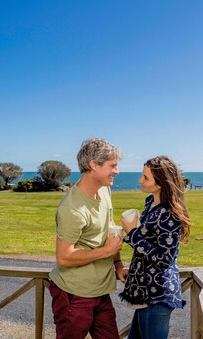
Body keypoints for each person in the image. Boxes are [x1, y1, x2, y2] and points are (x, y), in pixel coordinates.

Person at [48, 137, 125, 339]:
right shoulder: (71, 208)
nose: (117, 171)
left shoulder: (105, 190)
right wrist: (106, 251)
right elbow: (64, 257)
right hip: (73, 295)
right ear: (93, 165)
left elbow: (110, 229)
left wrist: (117, 264)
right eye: (112, 166)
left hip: (100, 292)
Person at [119, 156, 191, 339]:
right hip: (144, 292)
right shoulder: (150, 202)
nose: (139, 180)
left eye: (145, 177)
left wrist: (133, 233)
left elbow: (164, 258)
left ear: (160, 184)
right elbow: (148, 243)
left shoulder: (170, 214)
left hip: (157, 294)